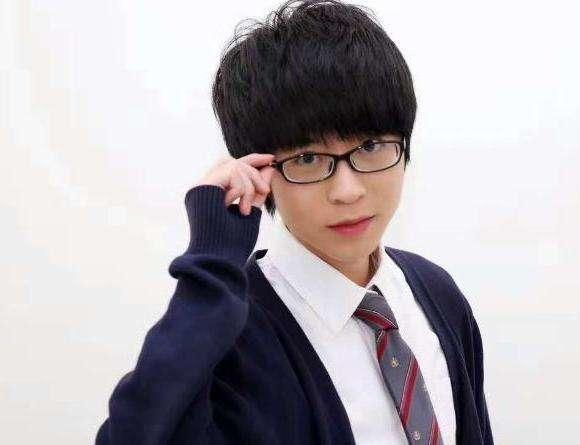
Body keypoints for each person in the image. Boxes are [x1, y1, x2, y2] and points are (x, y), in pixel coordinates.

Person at [95, 0, 493, 444]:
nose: (347, 190)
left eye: (370, 147)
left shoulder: (437, 293)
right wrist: (211, 261)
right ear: (260, 170)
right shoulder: (232, 336)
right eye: (307, 158)